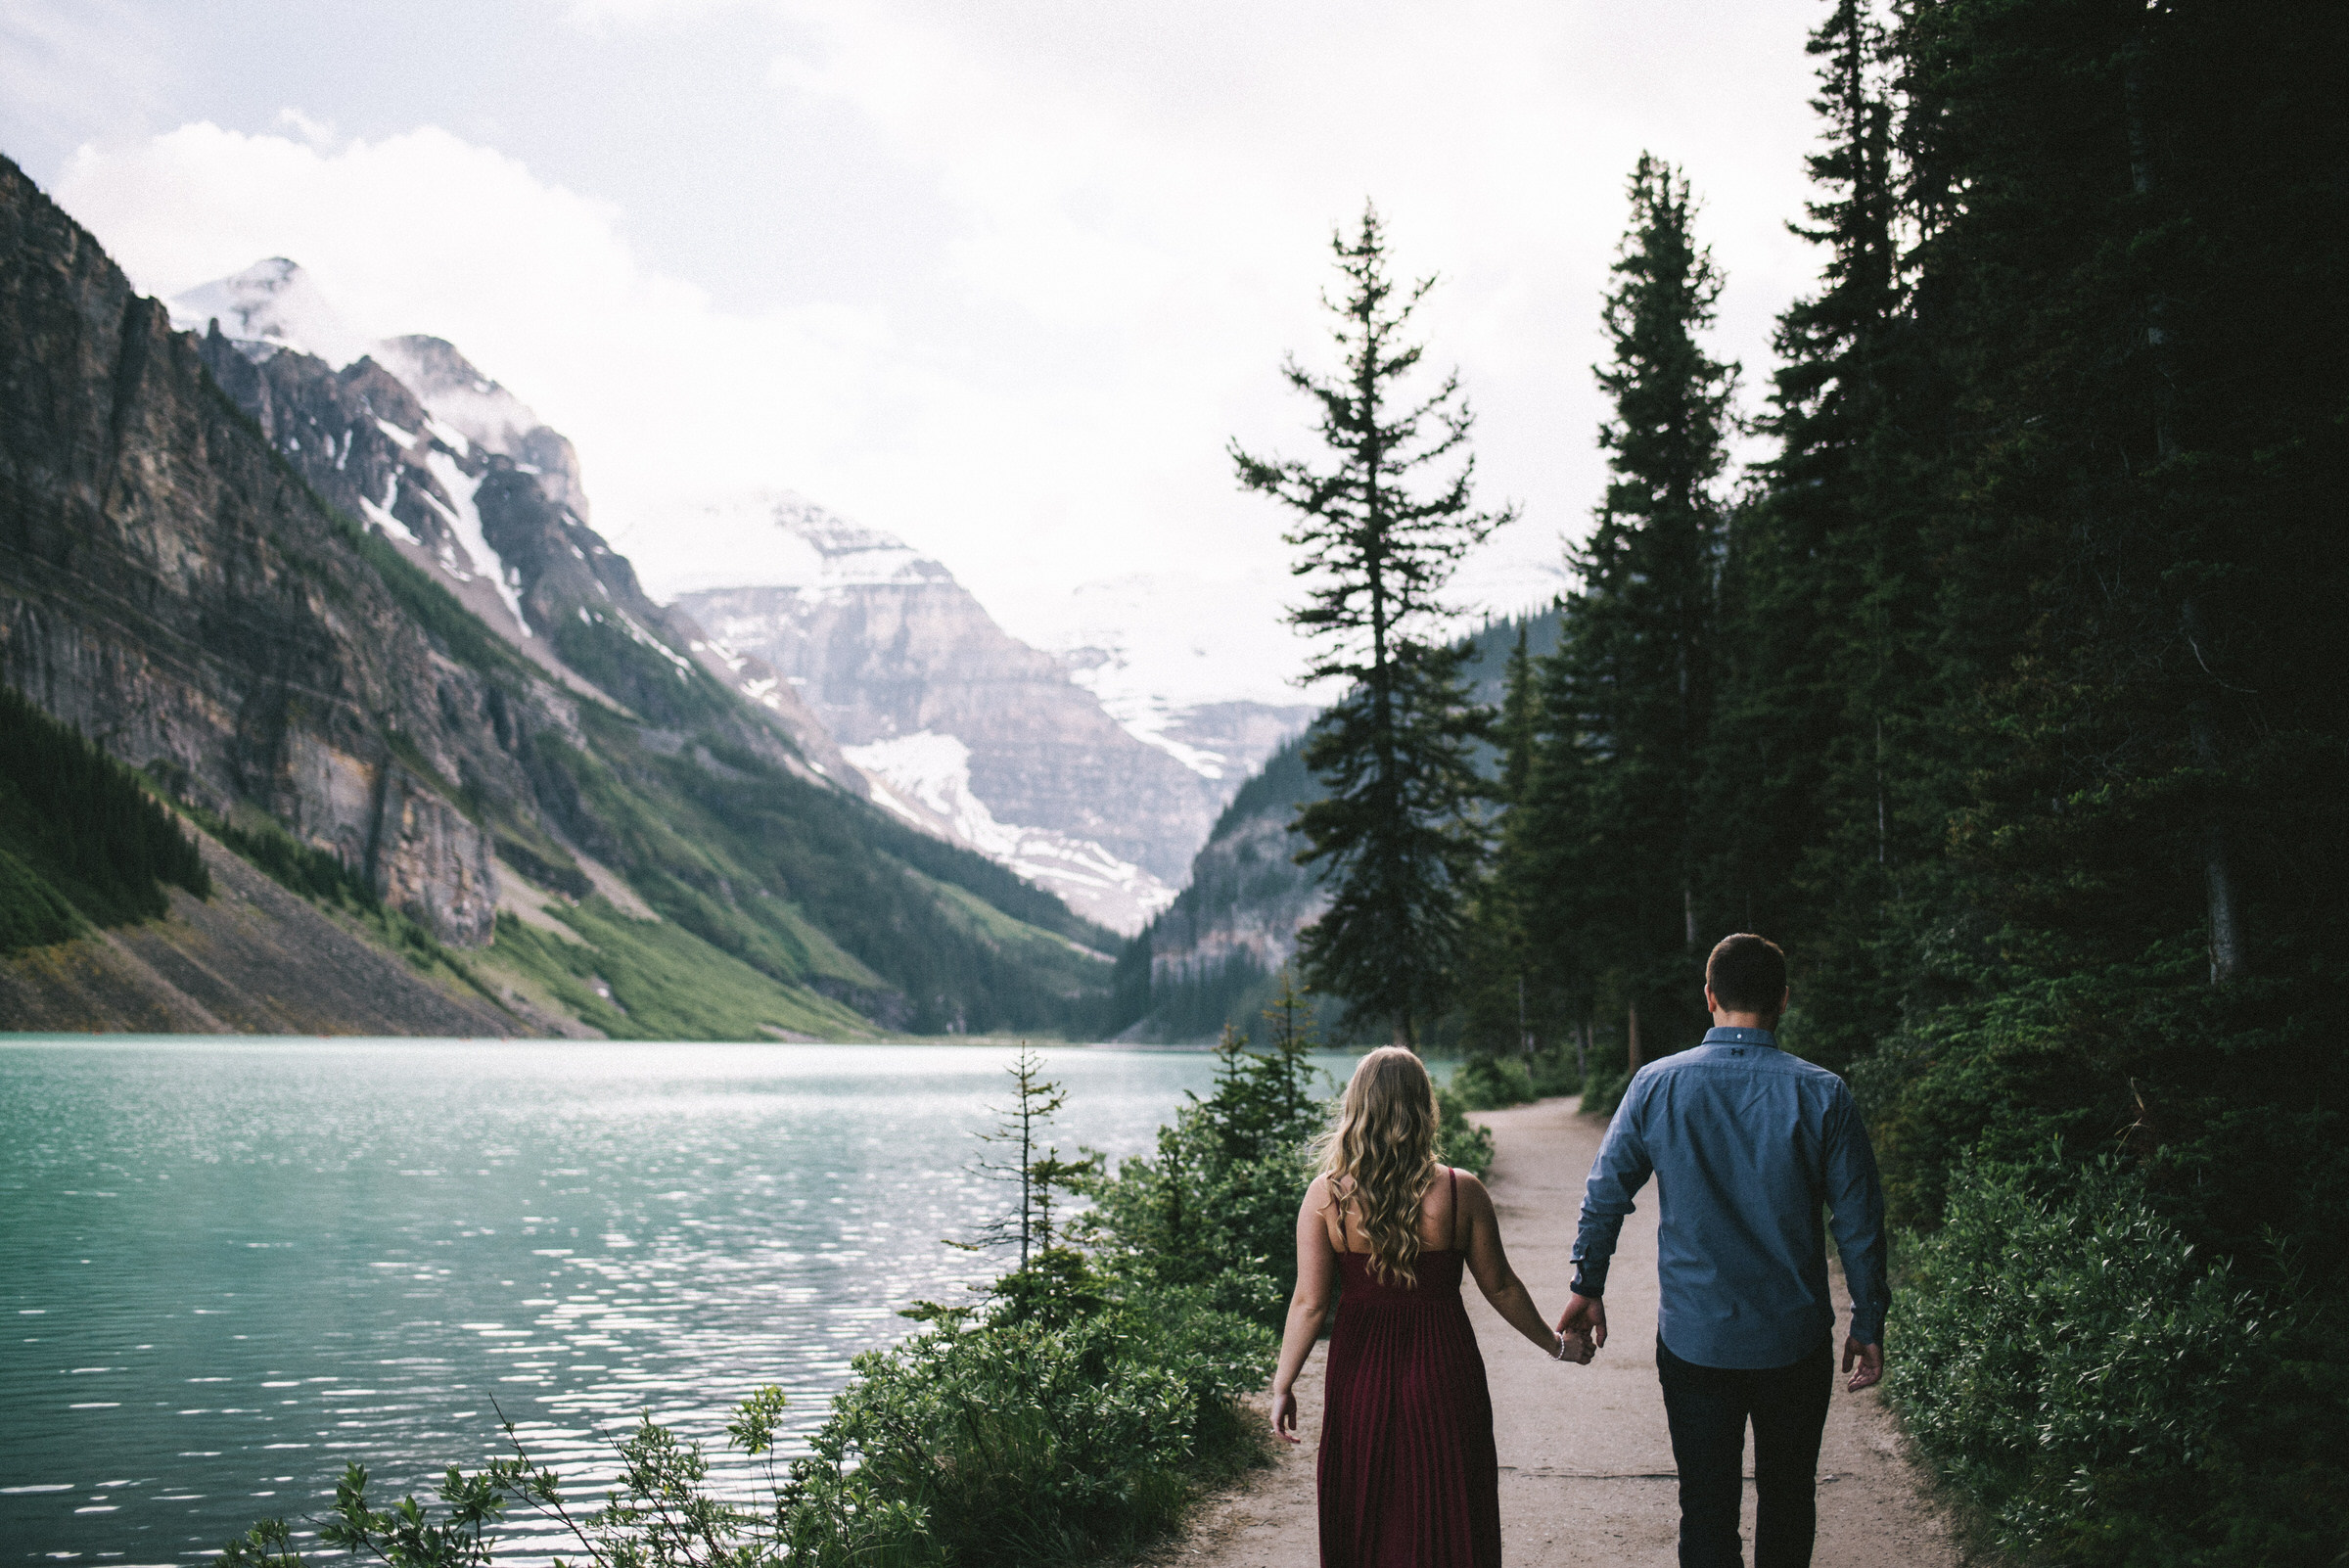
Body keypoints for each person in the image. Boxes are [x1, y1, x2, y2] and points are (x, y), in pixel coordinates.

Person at [1555, 933, 1890, 1568]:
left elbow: (1604, 1195)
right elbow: (1860, 1223)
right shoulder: (1824, 1094)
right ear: (1784, 1000)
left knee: (1705, 1509)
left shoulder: (1656, 1084)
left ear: (1709, 997)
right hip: (1793, 1341)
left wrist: (1586, 1284)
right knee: (1789, 1499)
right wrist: (1868, 1320)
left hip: (1695, 1339)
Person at [1270, 1046, 1591, 1568]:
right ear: (1424, 1108)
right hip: (1444, 1368)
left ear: (1357, 1107)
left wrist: (1283, 1384)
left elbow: (1309, 1303)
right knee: (1450, 1504)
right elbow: (1502, 1287)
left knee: (1364, 1504)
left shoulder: (1325, 1196)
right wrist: (1557, 1346)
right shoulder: (1460, 1192)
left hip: (1360, 1371)